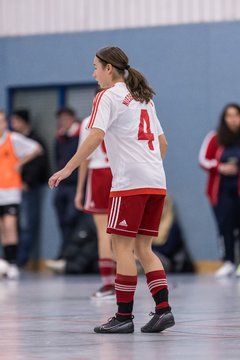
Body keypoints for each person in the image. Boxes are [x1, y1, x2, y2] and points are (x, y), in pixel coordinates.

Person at [48, 46, 175, 334]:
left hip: (129, 184)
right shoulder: (145, 99)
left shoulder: (107, 97)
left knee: (122, 249)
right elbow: (163, 144)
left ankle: (123, 316)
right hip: (156, 181)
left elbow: (95, 137)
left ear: (109, 68)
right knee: (144, 248)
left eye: (95, 67)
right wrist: (147, 167)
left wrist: (67, 168)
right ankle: (163, 310)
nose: (93, 73)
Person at [74, 113, 115, 299]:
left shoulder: (88, 121)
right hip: (121, 173)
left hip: (99, 174)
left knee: (104, 234)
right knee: (123, 234)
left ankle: (108, 285)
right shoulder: (123, 113)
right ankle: (126, 283)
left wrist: (80, 190)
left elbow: (85, 157)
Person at [0, 110, 42, 279]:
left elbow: (37, 149)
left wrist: (20, 162)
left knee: (10, 227)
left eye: (2, 121)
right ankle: (6, 262)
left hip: (11, 191)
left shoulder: (13, 139)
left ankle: (12, 263)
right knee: (2, 230)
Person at [199, 103, 240, 277]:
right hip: (221, 191)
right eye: (229, 115)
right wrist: (220, 167)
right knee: (225, 226)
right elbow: (203, 160)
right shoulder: (215, 137)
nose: (233, 119)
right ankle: (228, 261)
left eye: (236, 115)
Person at [11, 109, 49, 267]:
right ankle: (11, 258)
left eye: (15, 121)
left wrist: (27, 181)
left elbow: (39, 160)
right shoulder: (12, 139)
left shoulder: (34, 140)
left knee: (26, 224)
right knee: (12, 225)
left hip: (28, 188)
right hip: (11, 189)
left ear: (23, 121)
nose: (13, 124)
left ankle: (21, 260)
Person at [46, 107, 82, 268]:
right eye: (61, 119)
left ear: (73, 118)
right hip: (62, 185)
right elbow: (57, 158)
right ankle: (64, 253)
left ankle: (69, 255)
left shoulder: (80, 135)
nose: (63, 121)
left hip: (74, 184)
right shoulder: (59, 137)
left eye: (66, 118)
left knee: (72, 220)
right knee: (62, 221)